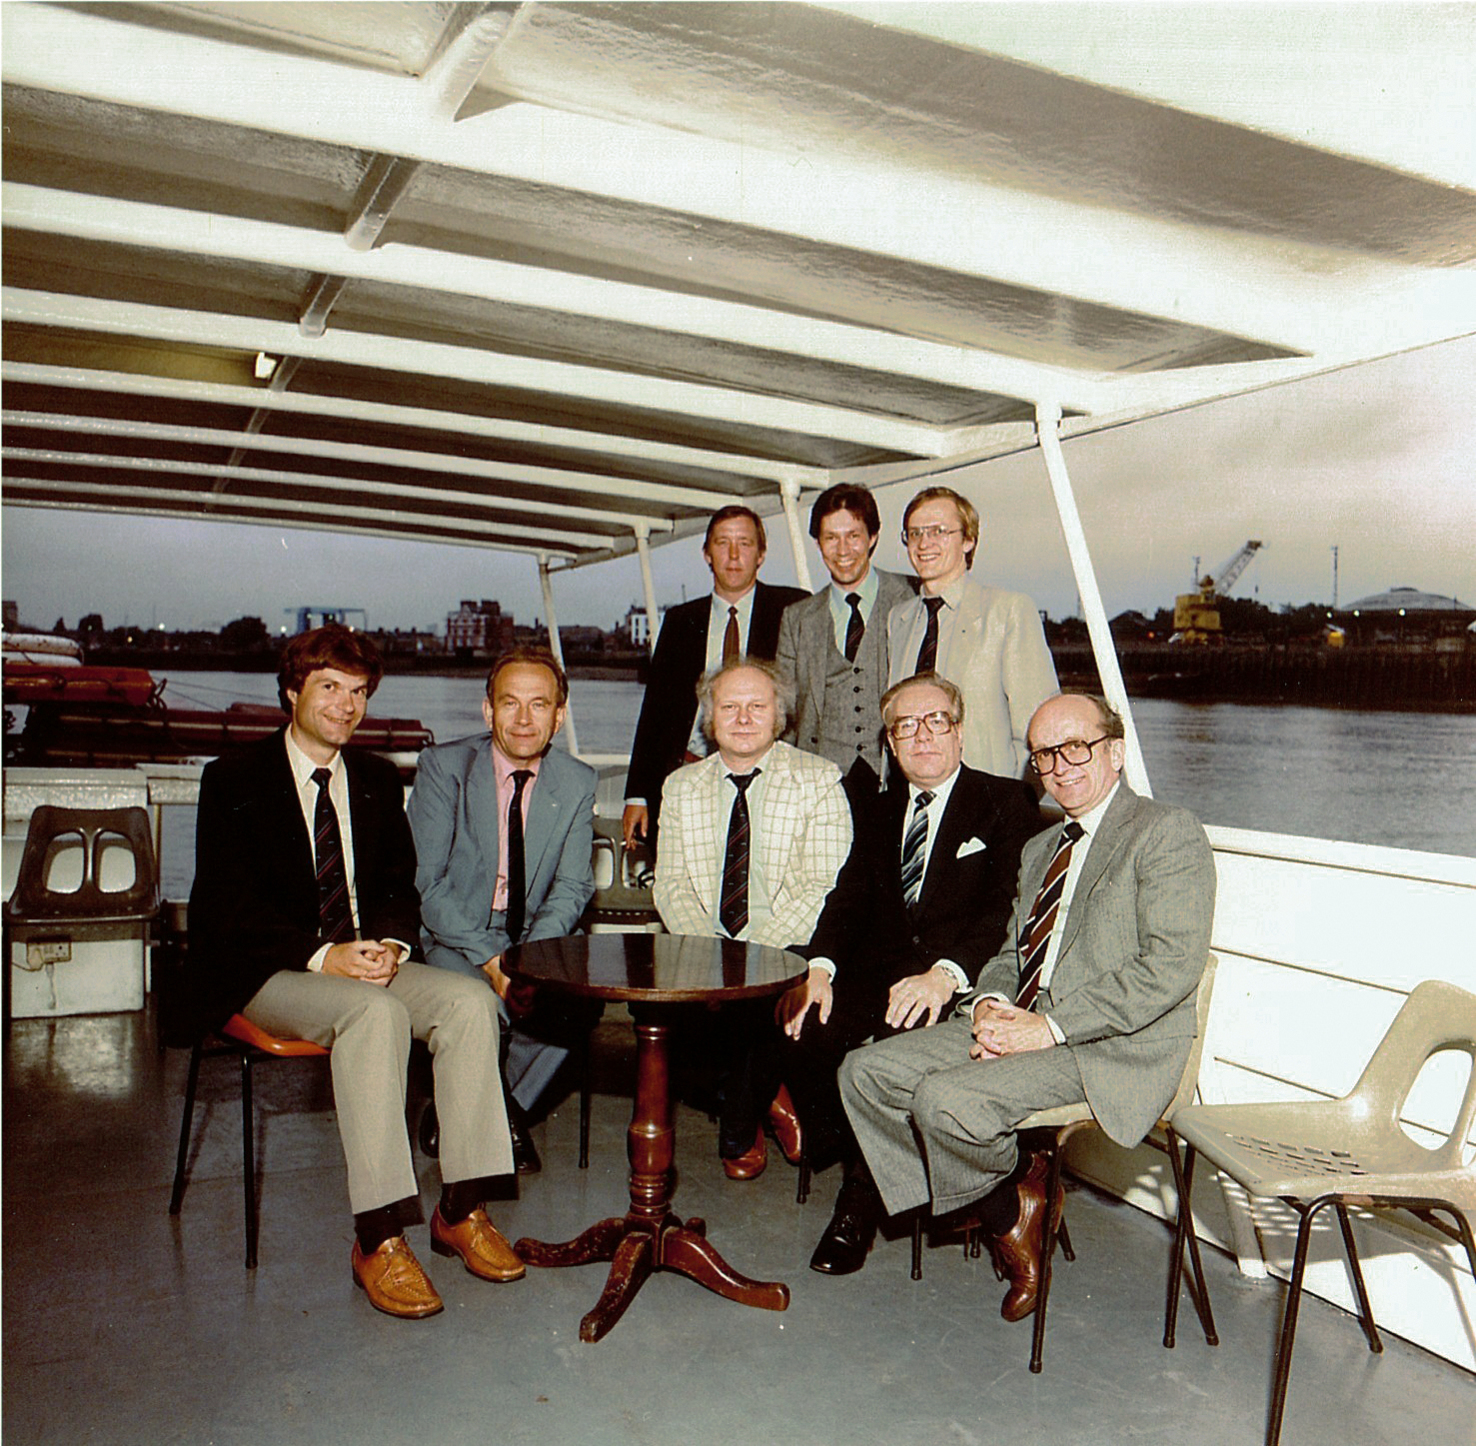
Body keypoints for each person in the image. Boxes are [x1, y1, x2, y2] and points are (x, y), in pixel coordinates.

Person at [838, 693, 1215, 1317]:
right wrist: (988, 1004)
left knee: (944, 1100)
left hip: (1112, 1046)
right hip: (1027, 1020)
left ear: (1115, 753)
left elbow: (1168, 967)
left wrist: (1050, 1026)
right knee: (866, 1073)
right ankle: (1009, 1206)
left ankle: (997, 1202)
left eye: (1077, 748)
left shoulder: (1165, 832)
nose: (1061, 766)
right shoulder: (1042, 848)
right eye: (1044, 755)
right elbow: (1015, 952)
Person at [187, 625, 522, 1321]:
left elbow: (399, 886)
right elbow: (225, 908)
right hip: (271, 968)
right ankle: (378, 1238)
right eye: (329, 687)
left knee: (467, 1003)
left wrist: (393, 945)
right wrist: (323, 955)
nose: (346, 705)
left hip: (364, 956)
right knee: (375, 1015)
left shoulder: (372, 778)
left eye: (359, 692)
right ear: (292, 691)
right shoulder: (233, 779)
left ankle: (461, 1210)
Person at [779, 672, 1041, 1273]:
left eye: (935, 722)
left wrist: (946, 975)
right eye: (905, 726)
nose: (922, 737)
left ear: (959, 732)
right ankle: (902, 1160)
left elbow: (1005, 908)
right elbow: (846, 899)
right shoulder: (874, 808)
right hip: (875, 975)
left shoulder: (1004, 803)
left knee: (895, 1050)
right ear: (891, 744)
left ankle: (858, 1208)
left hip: (956, 984)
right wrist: (819, 968)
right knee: (799, 1029)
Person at [654, 657, 852, 1178]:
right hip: (703, 946)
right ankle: (773, 1099)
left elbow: (820, 883)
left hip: (789, 944)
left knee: (757, 1015)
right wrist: (712, 953)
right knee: (662, 1035)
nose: (743, 718)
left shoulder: (818, 779)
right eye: (730, 706)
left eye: (757, 706)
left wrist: (750, 958)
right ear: (710, 718)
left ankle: (738, 1130)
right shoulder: (681, 787)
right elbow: (671, 884)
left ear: (779, 716)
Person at [407, 648, 599, 1170]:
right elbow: (429, 885)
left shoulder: (578, 782)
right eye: (509, 703)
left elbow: (573, 886)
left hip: (534, 935)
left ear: (559, 716)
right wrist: (494, 961)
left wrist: (528, 959)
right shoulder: (444, 767)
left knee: (579, 1005)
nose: (523, 719)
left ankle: (482, 1112)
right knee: (479, 1005)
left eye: (539, 705)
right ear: (487, 710)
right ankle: (495, 1122)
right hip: (455, 933)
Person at [623, 505, 807, 852]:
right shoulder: (680, 621)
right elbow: (655, 712)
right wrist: (637, 793)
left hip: (767, 779)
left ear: (761, 554)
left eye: (745, 543)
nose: (734, 555)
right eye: (723, 543)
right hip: (690, 777)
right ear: (707, 554)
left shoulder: (793, 610)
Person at [887, 485, 1058, 778]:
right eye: (914, 533)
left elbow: (1039, 731)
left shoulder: (1007, 612)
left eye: (938, 531)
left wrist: (1009, 802)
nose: (924, 543)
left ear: (968, 540)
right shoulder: (898, 619)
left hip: (986, 801)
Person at [776, 482, 915, 795]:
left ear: (873, 538)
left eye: (853, 536)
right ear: (818, 544)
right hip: (819, 783)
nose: (842, 550)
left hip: (896, 781)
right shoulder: (797, 619)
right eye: (831, 538)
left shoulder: (911, 598)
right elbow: (784, 714)